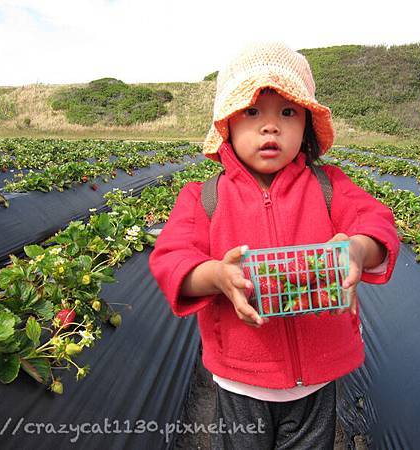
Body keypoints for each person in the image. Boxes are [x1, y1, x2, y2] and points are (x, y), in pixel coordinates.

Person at [149, 42, 400, 449]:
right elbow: (171, 259)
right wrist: (216, 275)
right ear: (227, 123)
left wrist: (357, 249)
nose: (271, 126)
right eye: (252, 111)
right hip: (240, 382)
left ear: (306, 125)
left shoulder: (329, 186)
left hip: (317, 383)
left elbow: (376, 224)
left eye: (288, 112)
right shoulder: (203, 198)